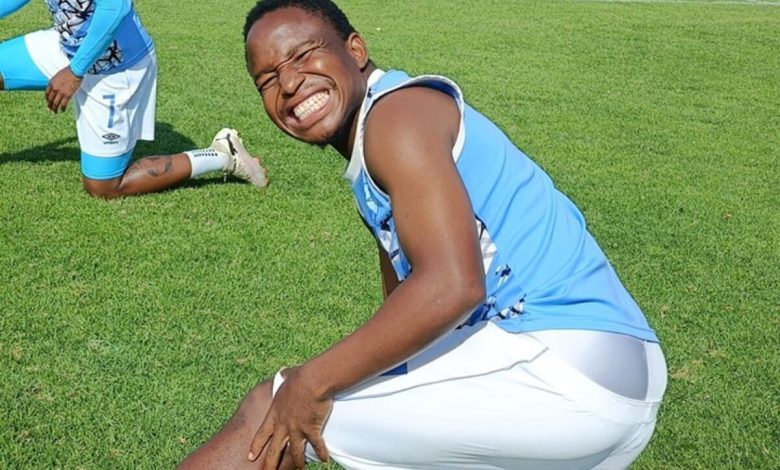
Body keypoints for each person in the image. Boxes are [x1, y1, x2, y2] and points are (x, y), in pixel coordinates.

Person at [179, 0, 668, 468]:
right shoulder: (374, 146)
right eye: (267, 79)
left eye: (304, 54)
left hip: (563, 368)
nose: (288, 82)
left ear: (355, 50)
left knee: (274, 408)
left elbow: (453, 285)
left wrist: (309, 383)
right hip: (614, 369)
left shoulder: (396, 119)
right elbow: (408, 312)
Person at [0, 0, 268, 198]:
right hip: (67, 48)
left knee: (104, 187)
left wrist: (74, 72)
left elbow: (115, 7)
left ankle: (222, 155)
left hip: (118, 71)